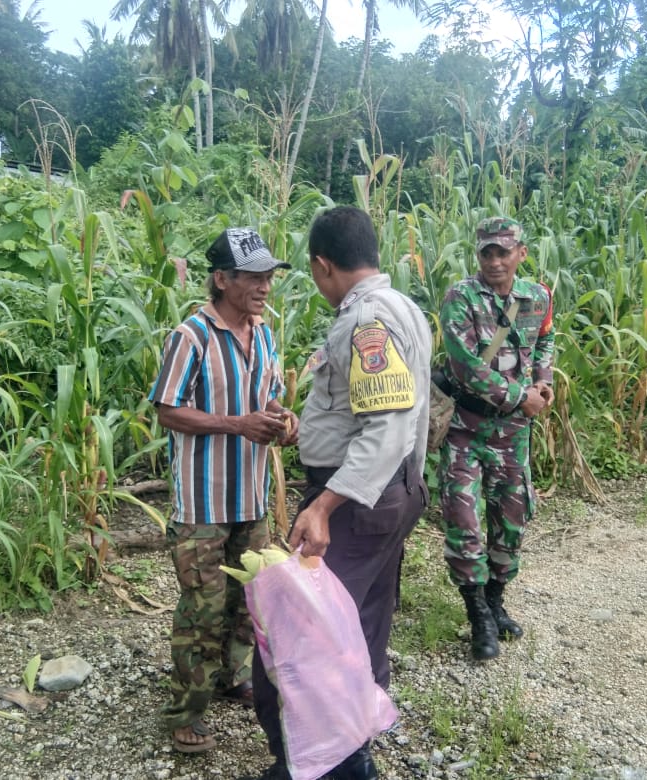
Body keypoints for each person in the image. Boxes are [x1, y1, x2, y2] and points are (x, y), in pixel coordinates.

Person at [244, 206, 433, 780]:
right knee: (359, 624)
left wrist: (324, 505)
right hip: (390, 491)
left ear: (324, 265)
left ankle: (322, 764)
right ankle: (353, 748)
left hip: (353, 500)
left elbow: (387, 425)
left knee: (301, 635)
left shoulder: (366, 320)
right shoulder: (403, 306)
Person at [149, 227, 299, 753]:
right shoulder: (190, 336)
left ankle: (231, 675)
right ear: (221, 279)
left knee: (247, 601)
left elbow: (271, 396)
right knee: (202, 610)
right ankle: (184, 714)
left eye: (268, 275)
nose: (264, 285)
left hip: (251, 498)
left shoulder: (262, 333)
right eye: (253, 276)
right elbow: (167, 410)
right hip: (203, 503)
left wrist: (284, 419)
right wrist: (237, 425)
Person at [437, 216, 554, 662]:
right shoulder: (461, 298)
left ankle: (497, 599)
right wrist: (519, 395)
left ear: (521, 253)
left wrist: (543, 383)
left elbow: (546, 341)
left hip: (513, 434)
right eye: (487, 252)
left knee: (511, 519)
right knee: (463, 522)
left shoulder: (537, 297)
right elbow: (466, 364)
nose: (495, 260)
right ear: (478, 255)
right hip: (466, 427)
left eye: (503, 252)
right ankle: (477, 616)